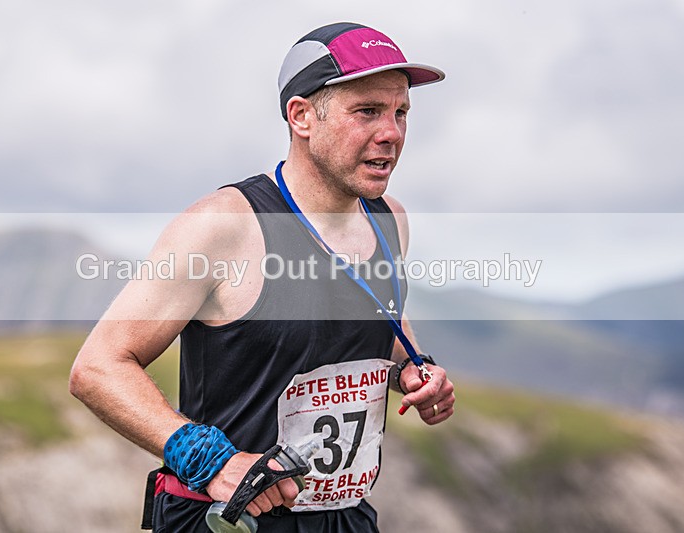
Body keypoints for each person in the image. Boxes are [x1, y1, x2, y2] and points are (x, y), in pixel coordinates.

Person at [70, 21, 455, 532]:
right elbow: (97, 368)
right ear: (301, 116)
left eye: (400, 112)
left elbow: (378, 319)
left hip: (344, 518)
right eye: (367, 111)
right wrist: (213, 462)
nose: (392, 133)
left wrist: (412, 367)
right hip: (228, 520)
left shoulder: (390, 220)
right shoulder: (223, 226)